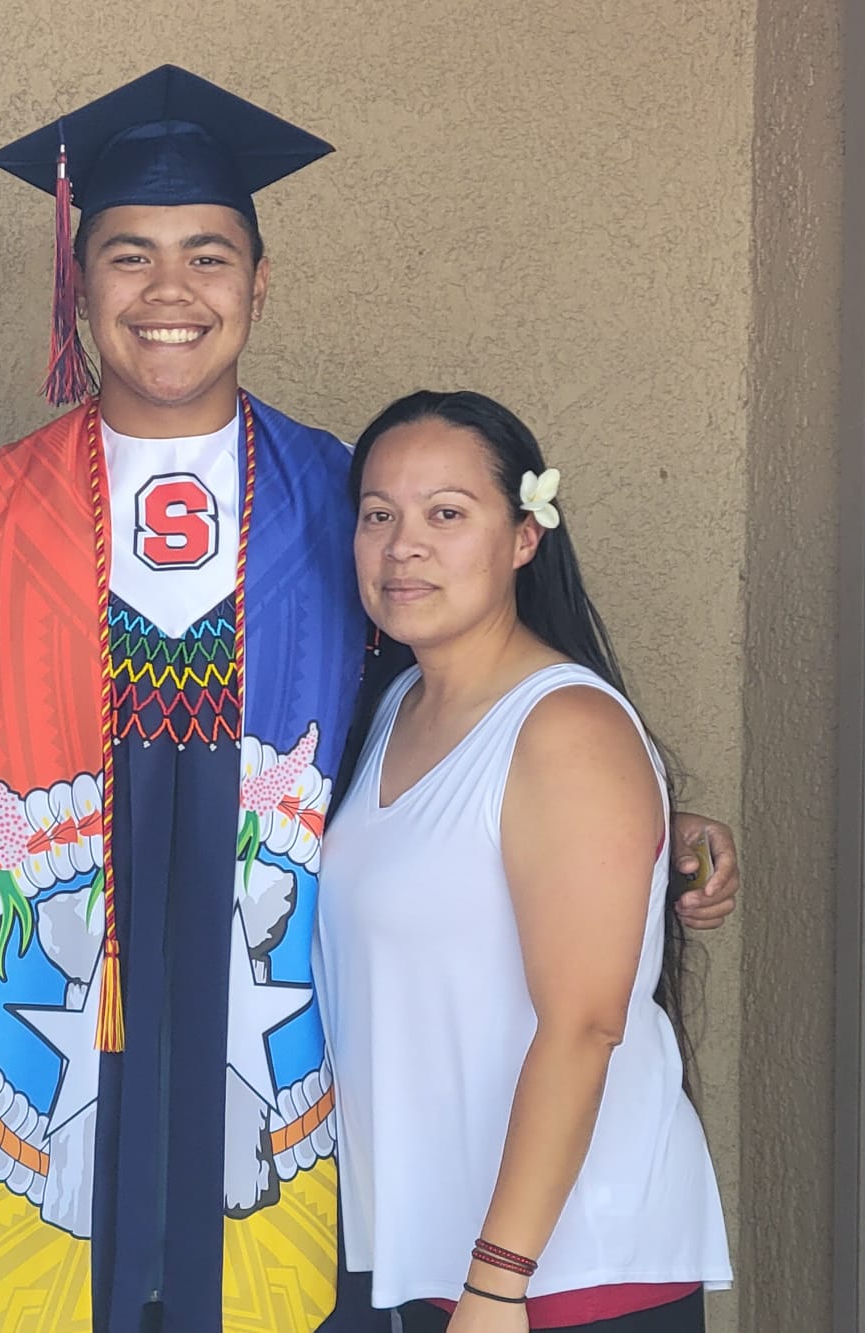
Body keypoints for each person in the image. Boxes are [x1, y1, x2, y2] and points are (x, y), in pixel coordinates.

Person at [0, 69, 737, 1333]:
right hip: (42, 1102)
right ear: (79, 283)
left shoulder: (343, 507)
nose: (170, 294)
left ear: (260, 283)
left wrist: (661, 834)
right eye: (128, 256)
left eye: (209, 255)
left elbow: (492, 724)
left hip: (300, 1138)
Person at [314, 390, 732, 1332]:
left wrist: (501, 1280)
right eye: (379, 514)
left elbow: (584, 1022)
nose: (402, 545)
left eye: (447, 514)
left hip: (559, 1271)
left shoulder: (565, 728)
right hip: (434, 1259)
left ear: (524, 537)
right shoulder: (395, 712)